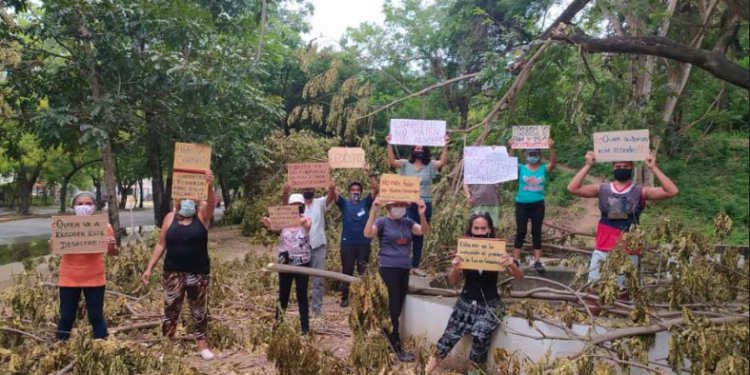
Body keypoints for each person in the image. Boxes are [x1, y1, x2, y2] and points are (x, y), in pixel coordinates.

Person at [425, 213, 524, 375]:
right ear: (471, 229)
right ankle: (424, 372)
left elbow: (519, 277)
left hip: (490, 304)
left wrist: (511, 264)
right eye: (476, 228)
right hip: (465, 303)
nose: (479, 231)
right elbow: (452, 282)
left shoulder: (498, 250)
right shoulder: (465, 249)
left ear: (489, 229)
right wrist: (455, 268)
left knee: (480, 334)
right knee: (446, 341)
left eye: (483, 228)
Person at [567, 151, 678, 287]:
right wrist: (587, 166)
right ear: (613, 168)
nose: (622, 169)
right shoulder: (602, 189)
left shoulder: (640, 191)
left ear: (631, 168)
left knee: (623, 294)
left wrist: (653, 167)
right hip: (602, 249)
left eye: (625, 166)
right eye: (618, 166)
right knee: (593, 292)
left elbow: (672, 191)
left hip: (629, 252)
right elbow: (572, 188)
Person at [141, 171, 216, 360]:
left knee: (199, 310)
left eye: (191, 196)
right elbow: (160, 244)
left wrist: (209, 185)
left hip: (198, 273)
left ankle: (202, 346)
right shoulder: (169, 218)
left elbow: (212, 204)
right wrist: (149, 268)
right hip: (173, 273)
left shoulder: (202, 216)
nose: (187, 200)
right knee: (170, 309)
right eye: (184, 196)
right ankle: (167, 347)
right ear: (178, 198)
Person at [364, 198, 429, 363]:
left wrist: (422, 214)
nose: (400, 208)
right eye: (396, 205)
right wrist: (372, 212)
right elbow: (367, 234)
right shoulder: (382, 222)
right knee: (392, 306)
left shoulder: (408, 223)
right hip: (388, 268)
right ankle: (396, 346)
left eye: (403, 205)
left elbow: (423, 231)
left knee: (398, 305)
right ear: (389, 207)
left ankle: (388, 339)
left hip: (404, 269)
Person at [52, 192, 118, 341]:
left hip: (94, 278)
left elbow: (113, 253)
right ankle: (59, 350)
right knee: (66, 316)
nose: (84, 207)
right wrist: (53, 244)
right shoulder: (64, 226)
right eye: (80, 204)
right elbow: (56, 249)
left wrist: (112, 246)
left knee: (96, 316)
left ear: (94, 207)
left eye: (88, 204)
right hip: (69, 278)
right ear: (73, 206)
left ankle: (102, 348)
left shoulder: (104, 226)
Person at [386, 133, 450, 277]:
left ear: (425, 150)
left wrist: (445, 145)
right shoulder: (405, 164)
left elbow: (442, 162)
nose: (419, 150)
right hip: (408, 204)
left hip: (424, 205)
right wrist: (389, 144)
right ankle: (403, 264)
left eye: (422, 148)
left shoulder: (430, 165)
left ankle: (415, 266)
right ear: (413, 149)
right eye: (417, 147)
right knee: (405, 233)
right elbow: (391, 161)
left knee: (420, 235)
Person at [261, 194, 313, 334]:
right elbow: (274, 227)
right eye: (292, 205)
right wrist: (268, 223)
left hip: (303, 263)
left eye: (298, 205)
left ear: (302, 206)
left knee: (302, 295)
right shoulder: (283, 223)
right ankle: (278, 326)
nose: (295, 207)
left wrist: (297, 219)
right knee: (283, 295)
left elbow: (307, 225)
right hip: (285, 263)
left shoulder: (306, 220)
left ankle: (305, 329)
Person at [282, 183, 336, 316]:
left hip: (318, 247)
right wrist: (286, 192)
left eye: (310, 188)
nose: (308, 191)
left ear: (315, 189)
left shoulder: (320, 202)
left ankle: (317, 309)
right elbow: (284, 208)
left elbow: (331, 197)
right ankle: (304, 310)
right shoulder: (297, 205)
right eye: (305, 189)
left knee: (318, 280)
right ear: (301, 190)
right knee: (302, 282)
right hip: (300, 250)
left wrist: (332, 187)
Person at [332, 164, 380, 308]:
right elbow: (332, 190)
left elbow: (377, 189)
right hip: (347, 244)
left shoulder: (365, 202)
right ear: (348, 192)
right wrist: (329, 172)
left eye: (358, 190)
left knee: (362, 271)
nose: (355, 192)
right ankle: (345, 297)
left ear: (361, 192)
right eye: (353, 190)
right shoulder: (344, 204)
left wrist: (369, 173)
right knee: (346, 271)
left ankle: (362, 298)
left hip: (364, 244)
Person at [508, 139, 556, 273]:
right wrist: (511, 147)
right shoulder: (521, 168)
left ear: (539, 155)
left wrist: (551, 148)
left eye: (536, 153)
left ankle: (537, 261)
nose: (533, 156)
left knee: (536, 231)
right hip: (521, 204)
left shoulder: (543, 168)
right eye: (531, 154)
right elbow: (510, 163)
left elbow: (553, 163)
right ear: (526, 155)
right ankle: (516, 259)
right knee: (521, 231)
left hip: (538, 204)